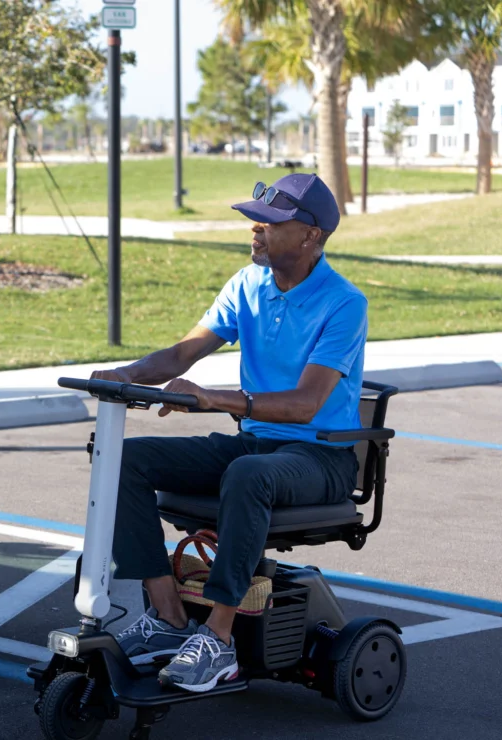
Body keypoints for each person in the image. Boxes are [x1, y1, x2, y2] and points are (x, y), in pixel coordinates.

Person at [91, 173, 366, 693]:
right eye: (254, 221)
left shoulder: (344, 303)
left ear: (311, 236)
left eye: (270, 223)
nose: (255, 231)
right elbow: (180, 355)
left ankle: (218, 642)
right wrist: (124, 376)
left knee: (248, 473)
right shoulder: (247, 284)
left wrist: (216, 398)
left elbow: (307, 405)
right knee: (126, 459)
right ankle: (169, 619)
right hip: (257, 446)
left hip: (321, 458)